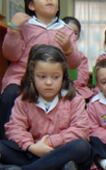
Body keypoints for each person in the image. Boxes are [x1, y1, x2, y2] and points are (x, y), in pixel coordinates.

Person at [0, 45, 91, 170]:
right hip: (33, 152)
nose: (49, 82)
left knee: (82, 147)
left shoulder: (74, 100)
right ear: (32, 76)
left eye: (55, 77)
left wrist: (50, 142)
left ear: (63, 77)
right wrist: (31, 146)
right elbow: (14, 128)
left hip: (62, 151)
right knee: (2, 147)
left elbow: (81, 130)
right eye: (42, 77)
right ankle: (56, 169)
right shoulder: (23, 100)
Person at [0, 0, 81, 139]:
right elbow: (10, 55)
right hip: (21, 78)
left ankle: (57, 142)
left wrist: (68, 49)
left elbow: (74, 64)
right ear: (31, 5)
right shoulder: (24, 26)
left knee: (73, 97)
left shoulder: (67, 30)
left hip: (55, 82)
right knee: (9, 95)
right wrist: (13, 29)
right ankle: (7, 143)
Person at [62, 16, 94, 100]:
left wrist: (70, 83)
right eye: (67, 31)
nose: (71, 35)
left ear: (78, 36)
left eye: (75, 33)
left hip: (77, 89)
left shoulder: (81, 57)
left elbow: (83, 78)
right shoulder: (53, 53)